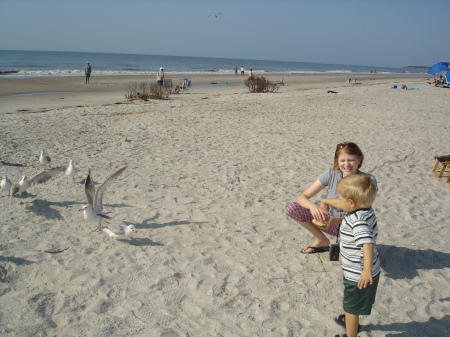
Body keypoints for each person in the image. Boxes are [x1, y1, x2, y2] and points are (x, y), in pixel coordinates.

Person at [285, 142, 377, 254]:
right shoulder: (332, 174)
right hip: (330, 223)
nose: (346, 165)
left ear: (359, 159)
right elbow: (302, 197)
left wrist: (337, 220)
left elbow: (365, 217)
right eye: (342, 160)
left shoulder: (367, 181)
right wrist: (313, 207)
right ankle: (321, 239)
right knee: (293, 208)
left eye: (351, 160)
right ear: (337, 161)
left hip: (355, 227)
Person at [319, 174, 380, 337]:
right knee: (355, 303)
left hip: (358, 273)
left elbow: (367, 243)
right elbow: (351, 216)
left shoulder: (357, 220)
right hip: (369, 268)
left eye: (341, 199)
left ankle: (351, 333)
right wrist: (337, 220)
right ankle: (352, 321)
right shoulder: (365, 209)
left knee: (351, 307)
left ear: (351, 203)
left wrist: (365, 270)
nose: (339, 201)